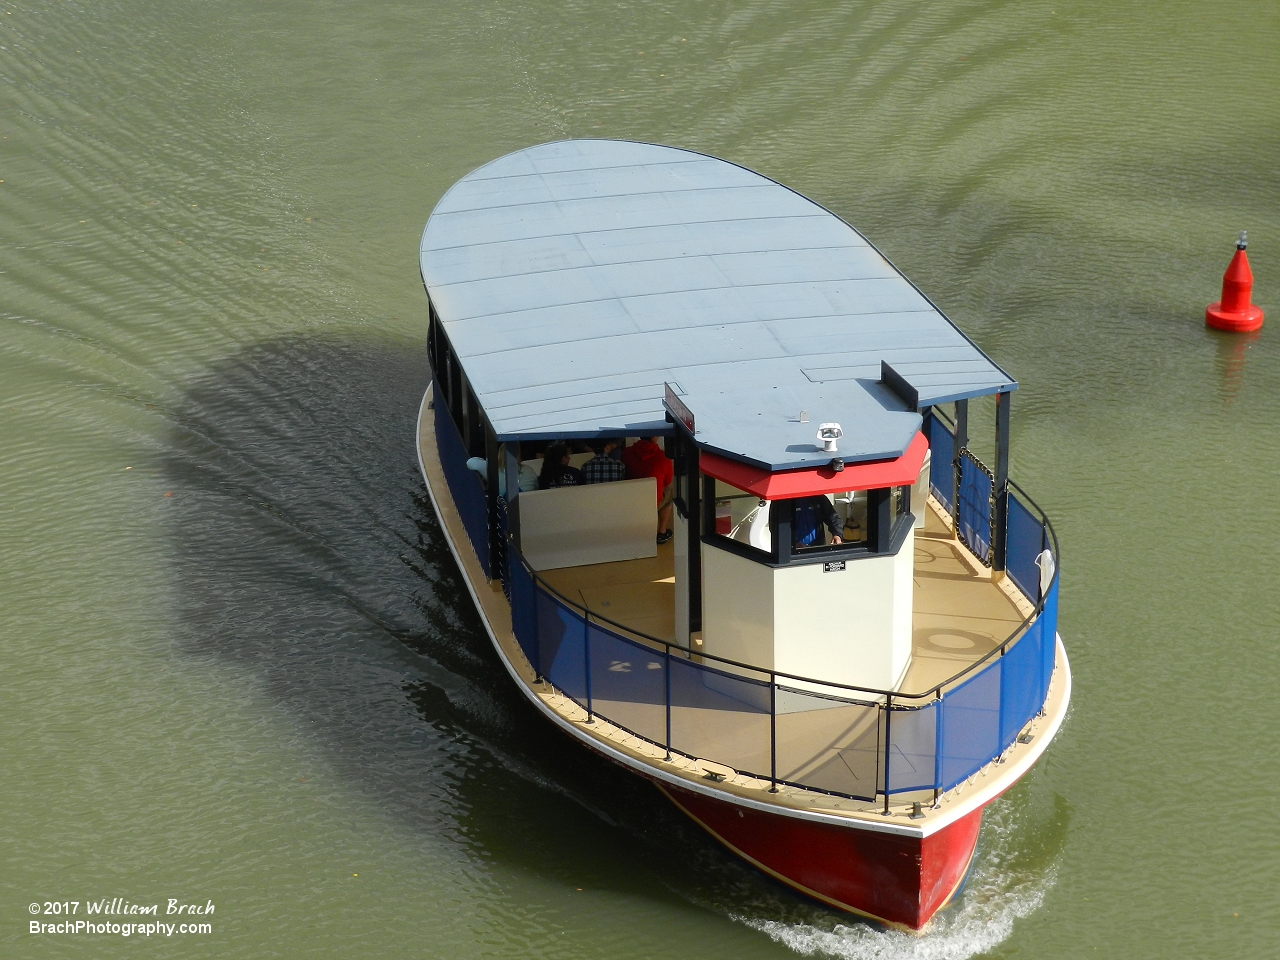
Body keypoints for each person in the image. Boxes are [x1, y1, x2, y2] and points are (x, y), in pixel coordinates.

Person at [621, 437, 675, 543]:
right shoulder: (664, 457)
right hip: (653, 502)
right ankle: (662, 532)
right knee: (669, 493)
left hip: (631, 500)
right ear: (655, 438)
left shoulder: (626, 453)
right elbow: (668, 481)